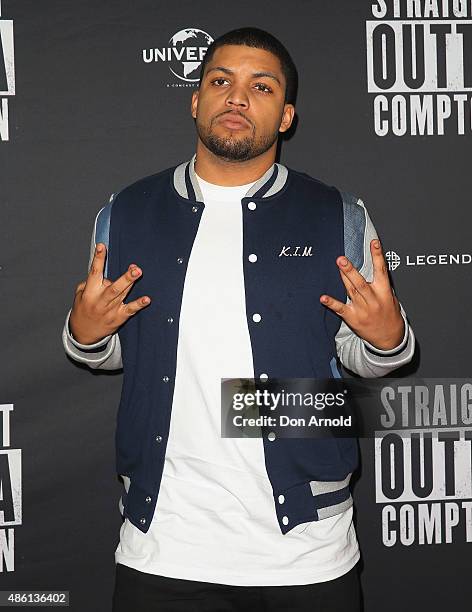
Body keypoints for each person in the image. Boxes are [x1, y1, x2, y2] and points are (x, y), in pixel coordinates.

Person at [62, 26, 415, 612]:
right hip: (161, 546)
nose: (237, 97)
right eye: (220, 81)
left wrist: (387, 338)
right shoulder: (126, 212)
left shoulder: (337, 215)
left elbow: (372, 352)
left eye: (262, 86)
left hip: (307, 549)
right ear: (195, 99)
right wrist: (85, 335)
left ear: (286, 116)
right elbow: (106, 344)